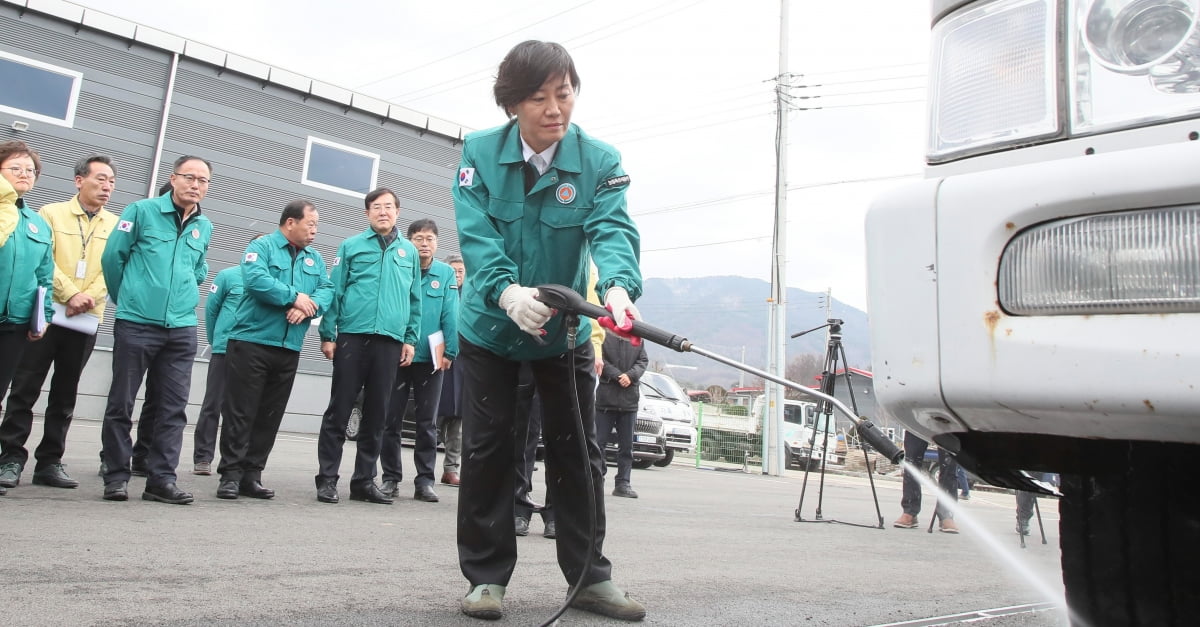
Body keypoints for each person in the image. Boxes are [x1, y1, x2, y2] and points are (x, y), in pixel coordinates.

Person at [453, 40, 645, 621]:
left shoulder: (600, 159)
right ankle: (486, 580)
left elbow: (612, 230)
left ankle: (589, 577)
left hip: (561, 333)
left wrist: (616, 288)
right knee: (489, 449)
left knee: (578, 451)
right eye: (539, 97)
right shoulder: (479, 153)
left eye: (564, 93)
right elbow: (478, 237)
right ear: (512, 103)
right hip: (491, 327)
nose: (555, 108)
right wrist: (507, 292)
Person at [99, 155, 213, 504]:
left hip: (181, 329)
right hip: (136, 323)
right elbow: (112, 259)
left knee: (173, 408)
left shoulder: (203, 226)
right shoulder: (141, 211)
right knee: (122, 402)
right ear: (173, 178)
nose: (196, 185)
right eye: (189, 177)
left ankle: (161, 479)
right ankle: (116, 476)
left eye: (203, 181)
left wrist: (186, 293)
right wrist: (128, 299)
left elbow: (198, 268)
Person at [0, 155, 117, 490]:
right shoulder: (50, 214)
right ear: (79, 180)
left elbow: (113, 266)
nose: (106, 186)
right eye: (99, 179)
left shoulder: (115, 223)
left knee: (65, 394)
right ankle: (10, 457)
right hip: (48, 313)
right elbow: (43, 261)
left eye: (111, 181)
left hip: (86, 319)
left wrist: (89, 297)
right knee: (25, 388)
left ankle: (50, 461)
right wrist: (69, 294)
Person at [216, 202, 331, 500]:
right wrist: (294, 298)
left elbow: (327, 289)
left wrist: (310, 306)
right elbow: (256, 281)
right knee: (241, 411)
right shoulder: (263, 247)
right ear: (290, 222)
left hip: (288, 346)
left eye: (317, 224)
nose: (315, 230)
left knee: (269, 414)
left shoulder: (314, 258)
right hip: (252, 341)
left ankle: (252, 474)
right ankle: (230, 475)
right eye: (311, 224)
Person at [315, 188, 421, 505]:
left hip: (389, 341)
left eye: (389, 207)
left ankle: (364, 480)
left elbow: (414, 299)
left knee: (378, 413)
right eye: (376, 207)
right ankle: (327, 479)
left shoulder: (409, 253)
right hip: (352, 336)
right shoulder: (351, 246)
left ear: (398, 212)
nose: (383, 212)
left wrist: (410, 339)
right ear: (367, 213)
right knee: (340, 408)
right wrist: (328, 334)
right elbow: (335, 290)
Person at [380, 219, 458, 503]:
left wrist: (451, 350)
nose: (424, 244)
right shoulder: (399, 267)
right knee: (392, 419)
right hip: (397, 354)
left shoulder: (446, 273)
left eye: (430, 239)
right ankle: (390, 478)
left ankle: (425, 480)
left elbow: (451, 311)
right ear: (409, 241)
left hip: (430, 358)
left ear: (436, 243)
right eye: (419, 238)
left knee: (428, 422)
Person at [0, 141, 55, 495]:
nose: (24, 174)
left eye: (30, 170)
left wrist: (44, 316)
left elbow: (44, 276)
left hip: (16, 322)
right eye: (15, 167)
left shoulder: (36, 223)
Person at [192, 257, 246, 476]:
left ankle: (233, 460)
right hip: (224, 349)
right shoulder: (228, 276)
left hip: (251, 353)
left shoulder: (270, 280)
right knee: (213, 404)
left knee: (240, 410)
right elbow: (211, 310)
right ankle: (203, 457)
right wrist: (217, 340)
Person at [595, 331, 648, 499]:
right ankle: (596, 479)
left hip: (629, 401)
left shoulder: (637, 337)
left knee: (626, 447)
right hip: (605, 400)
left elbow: (643, 360)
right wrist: (618, 376)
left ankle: (623, 483)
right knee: (598, 444)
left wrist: (630, 376)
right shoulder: (604, 333)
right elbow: (599, 358)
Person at [436, 254, 466, 486]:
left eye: (461, 271)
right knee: (432, 418)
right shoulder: (440, 291)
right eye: (453, 270)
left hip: (463, 363)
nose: (457, 275)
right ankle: (424, 470)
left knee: (457, 419)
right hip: (437, 357)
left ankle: (451, 468)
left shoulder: (471, 297)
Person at [893, 430, 959, 533]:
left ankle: (947, 514)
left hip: (947, 419)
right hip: (916, 415)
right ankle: (910, 511)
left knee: (949, 462)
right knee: (912, 460)